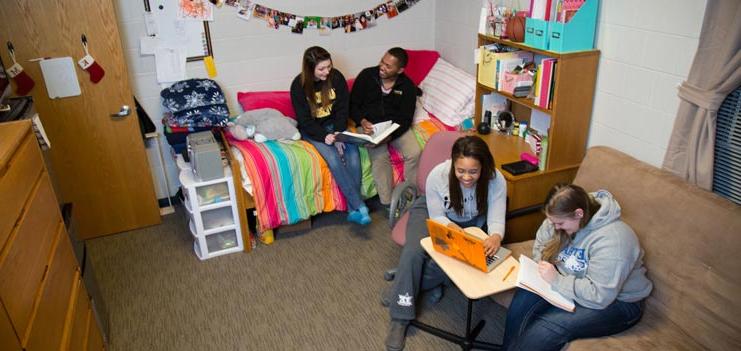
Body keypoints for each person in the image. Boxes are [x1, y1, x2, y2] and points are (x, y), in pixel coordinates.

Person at [383, 135, 506, 351]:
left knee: (457, 261)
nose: (466, 177)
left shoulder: (496, 180)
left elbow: (496, 218)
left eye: (473, 171)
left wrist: (495, 235)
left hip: (469, 222)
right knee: (413, 253)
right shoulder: (438, 176)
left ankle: (402, 288)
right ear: (453, 164)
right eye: (461, 171)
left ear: (484, 167)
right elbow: (438, 215)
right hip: (431, 214)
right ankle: (400, 317)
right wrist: (451, 229)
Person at [502, 184, 653, 350]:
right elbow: (541, 243)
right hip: (570, 280)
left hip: (618, 302)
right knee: (522, 300)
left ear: (578, 214)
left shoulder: (615, 241)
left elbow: (599, 296)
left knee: (546, 328)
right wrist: (541, 264)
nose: (555, 227)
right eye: (552, 222)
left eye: (559, 223)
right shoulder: (559, 216)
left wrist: (557, 280)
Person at [290, 46, 371, 225]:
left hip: (335, 126)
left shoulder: (336, 77)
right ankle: (360, 205)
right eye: (321, 69)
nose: (327, 71)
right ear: (310, 69)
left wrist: (338, 132)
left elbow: (343, 108)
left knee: (353, 156)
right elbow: (303, 120)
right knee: (334, 159)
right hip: (314, 130)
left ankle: (353, 210)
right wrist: (324, 136)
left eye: (329, 66)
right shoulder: (298, 86)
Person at [350, 48, 421, 215]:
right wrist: (362, 120)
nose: (382, 67)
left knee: (415, 152)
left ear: (400, 70)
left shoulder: (408, 87)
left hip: (394, 127)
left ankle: (412, 195)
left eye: (388, 66)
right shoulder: (367, 76)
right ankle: (389, 203)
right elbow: (353, 104)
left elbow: (405, 119)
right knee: (379, 156)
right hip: (369, 125)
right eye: (382, 61)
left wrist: (390, 135)